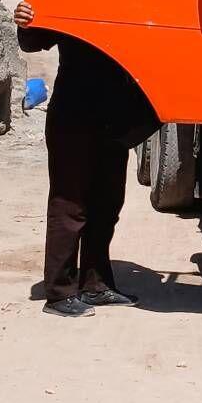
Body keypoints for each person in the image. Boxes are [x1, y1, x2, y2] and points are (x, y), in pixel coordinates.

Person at [40, 38, 158, 319]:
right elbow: (33, 39)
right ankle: (59, 292)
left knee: (107, 204)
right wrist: (25, 19)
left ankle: (96, 284)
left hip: (115, 116)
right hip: (74, 113)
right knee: (70, 204)